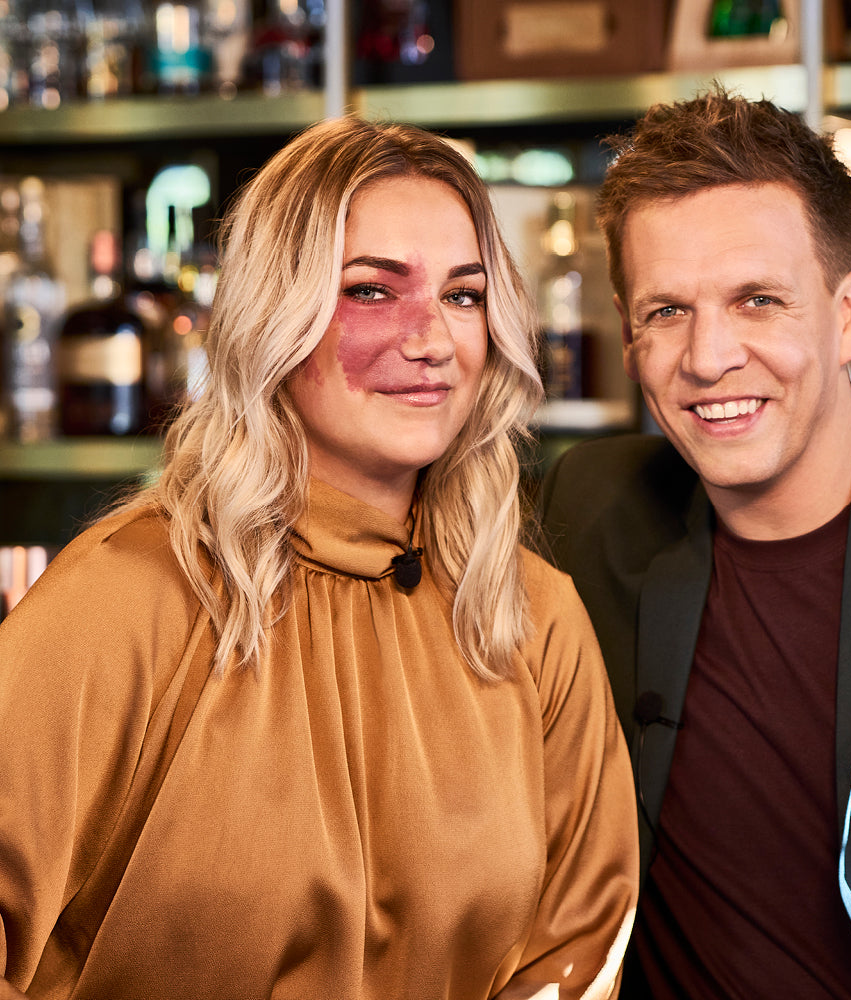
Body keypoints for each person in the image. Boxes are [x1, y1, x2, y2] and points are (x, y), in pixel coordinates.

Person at [0, 116, 638, 1000]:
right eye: (371, 290)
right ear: (275, 314)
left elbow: (575, 957)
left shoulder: (530, 617)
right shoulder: (125, 597)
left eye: (463, 296)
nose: (432, 340)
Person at [539, 85, 851, 1000]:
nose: (708, 358)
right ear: (628, 338)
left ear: (848, 314)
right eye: (667, 311)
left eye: (757, 300)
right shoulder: (582, 508)